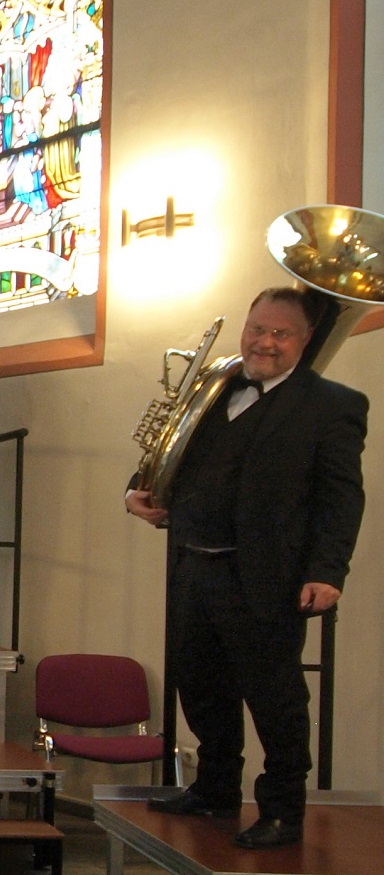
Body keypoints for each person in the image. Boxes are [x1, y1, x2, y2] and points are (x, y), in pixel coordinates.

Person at [126, 287, 368, 850]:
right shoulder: (215, 393)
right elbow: (168, 454)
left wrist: (329, 571)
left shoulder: (334, 405)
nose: (263, 342)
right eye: (256, 328)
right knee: (202, 688)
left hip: (266, 577)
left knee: (274, 698)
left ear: (307, 341)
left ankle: (283, 810)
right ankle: (215, 790)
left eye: (280, 333)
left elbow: (341, 498)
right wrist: (135, 493)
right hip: (194, 567)